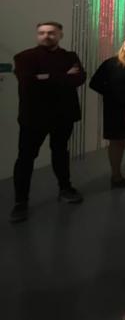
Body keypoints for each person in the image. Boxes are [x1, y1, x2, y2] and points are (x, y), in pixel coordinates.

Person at [10, 22, 86, 223]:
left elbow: (79, 78)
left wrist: (44, 78)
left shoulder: (70, 56)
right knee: (26, 158)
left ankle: (65, 188)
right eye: (42, 33)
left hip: (63, 115)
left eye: (51, 33)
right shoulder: (24, 57)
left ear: (60, 35)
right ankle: (20, 202)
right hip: (33, 117)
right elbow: (28, 83)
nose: (46, 36)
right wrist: (63, 77)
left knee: (60, 152)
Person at [89, 35, 125, 188]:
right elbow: (95, 83)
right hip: (116, 110)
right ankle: (116, 176)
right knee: (117, 142)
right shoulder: (111, 64)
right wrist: (112, 95)